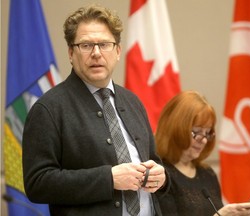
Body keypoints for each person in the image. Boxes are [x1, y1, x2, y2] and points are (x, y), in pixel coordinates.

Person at [22, 4, 168, 216]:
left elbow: (154, 159)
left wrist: (162, 176)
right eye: (86, 45)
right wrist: (108, 179)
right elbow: (38, 183)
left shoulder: (133, 101)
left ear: (118, 52)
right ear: (71, 53)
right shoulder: (49, 108)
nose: (97, 53)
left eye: (104, 44)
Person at [155, 91, 250, 216]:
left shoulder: (207, 173)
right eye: (196, 132)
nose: (203, 140)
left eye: (208, 133)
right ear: (174, 128)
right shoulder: (159, 176)